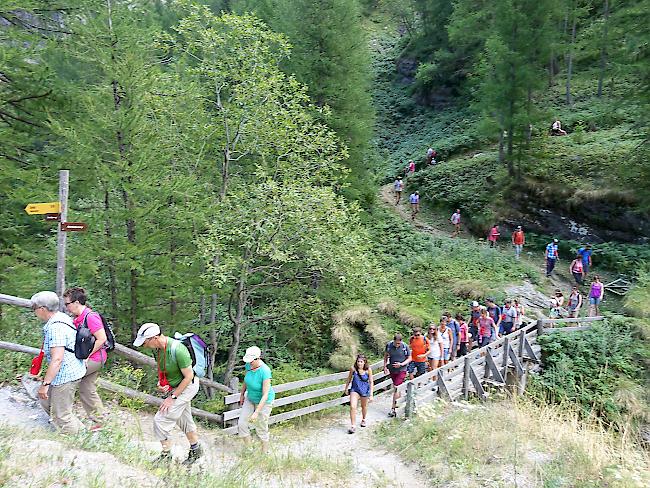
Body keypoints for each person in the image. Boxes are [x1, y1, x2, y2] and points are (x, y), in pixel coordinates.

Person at [133, 322, 203, 465]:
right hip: (176, 387)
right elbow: (165, 370)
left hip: (188, 387)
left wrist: (172, 397)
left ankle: (166, 456)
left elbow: (189, 376)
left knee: (160, 420)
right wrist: (163, 385)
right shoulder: (159, 350)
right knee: (184, 420)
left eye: (145, 342)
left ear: (154, 338)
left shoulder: (178, 350)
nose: (144, 346)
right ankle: (196, 451)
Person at [31, 291, 86, 434]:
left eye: (34, 309)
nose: (34, 312)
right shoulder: (62, 317)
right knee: (47, 401)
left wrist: (45, 384)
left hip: (65, 374)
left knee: (62, 416)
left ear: (42, 309)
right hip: (71, 369)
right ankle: (83, 432)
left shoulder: (56, 328)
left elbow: (57, 359)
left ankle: (79, 443)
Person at [62, 287, 107, 430]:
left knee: (68, 378)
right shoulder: (78, 318)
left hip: (94, 358)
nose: (66, 307)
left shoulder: (90, 316)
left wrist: (86, 356)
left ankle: (62, 415)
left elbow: (102, 339)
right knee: (87, 389)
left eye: (67, 304)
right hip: (92, 358)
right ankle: (100, 422)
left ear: (76, 302)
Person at [237, 345, 275, 450]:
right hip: (250, 397)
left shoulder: (265, 371)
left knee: (261, 426)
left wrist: (256, 412)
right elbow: (246, 380)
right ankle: (249, 449)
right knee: (242, 423)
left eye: (251, 361)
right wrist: (242, 394)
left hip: (264, 401)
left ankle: (265, 452)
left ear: (258, 358)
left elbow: (265, 394)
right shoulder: (248, 366)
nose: (249, 363)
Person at [343, 354, 373, 434]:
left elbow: (371, 382)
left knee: (364, 406)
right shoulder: (353, 369)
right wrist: (346, 388)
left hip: (364, 390)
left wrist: (371, 394)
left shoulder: (368, 370)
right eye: (358, 361)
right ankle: (353, 426)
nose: (359, 363)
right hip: (355, 390)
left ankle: (363, 419)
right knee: (353, 407)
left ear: (364, 362)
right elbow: (349, 379)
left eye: (361, 362)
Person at [384, 334, 411, 417]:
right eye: (396, 343)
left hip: (402, 370)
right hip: (393, 369)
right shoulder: (389, 345)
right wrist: (385, 366)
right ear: (394, 341)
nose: (397, 345)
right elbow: (386, 356)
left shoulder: (405, 347)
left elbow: (410, 358)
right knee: (397, 388)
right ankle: (398, 402)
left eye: (399, 343)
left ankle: (393, 409)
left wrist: (401, 364)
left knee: (396, 387)